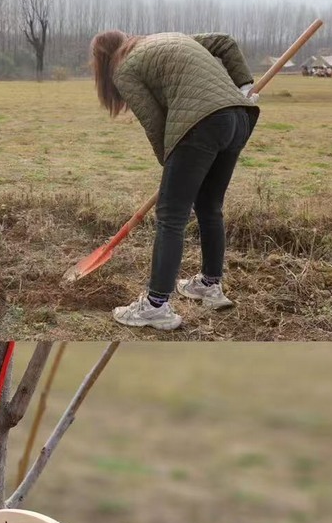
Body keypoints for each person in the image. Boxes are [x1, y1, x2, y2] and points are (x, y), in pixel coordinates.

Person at [91, 30, 260, 330]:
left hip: (202, 123)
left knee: (171, 215)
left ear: (103, 61)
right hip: (239, 117)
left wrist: (171, 167)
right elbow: (225, 42)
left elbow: (154, 122)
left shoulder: (124, 69)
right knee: (209, 206)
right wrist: (245, 86)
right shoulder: (170, 38)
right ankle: (209, 285)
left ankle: (156, 306)